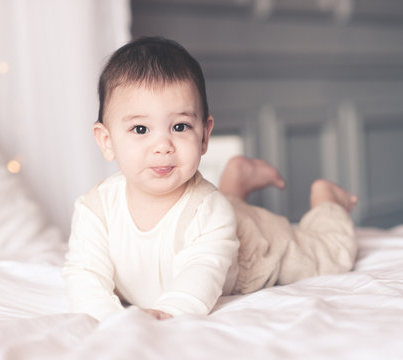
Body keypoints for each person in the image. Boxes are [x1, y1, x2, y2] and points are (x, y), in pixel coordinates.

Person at [62, 36, 358, 322]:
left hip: (249, 248)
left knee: (327, 256)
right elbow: (85, 275)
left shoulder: (212, 212)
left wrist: (170, 312)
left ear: (204, 135)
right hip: (222, 216)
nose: (163, 145)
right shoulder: (95, 211)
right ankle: (235, 183)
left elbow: (201, 272)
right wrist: (110, 321)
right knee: (223, 208)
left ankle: (326, 200)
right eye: (141, 130)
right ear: (106, 141)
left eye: (180, 126)